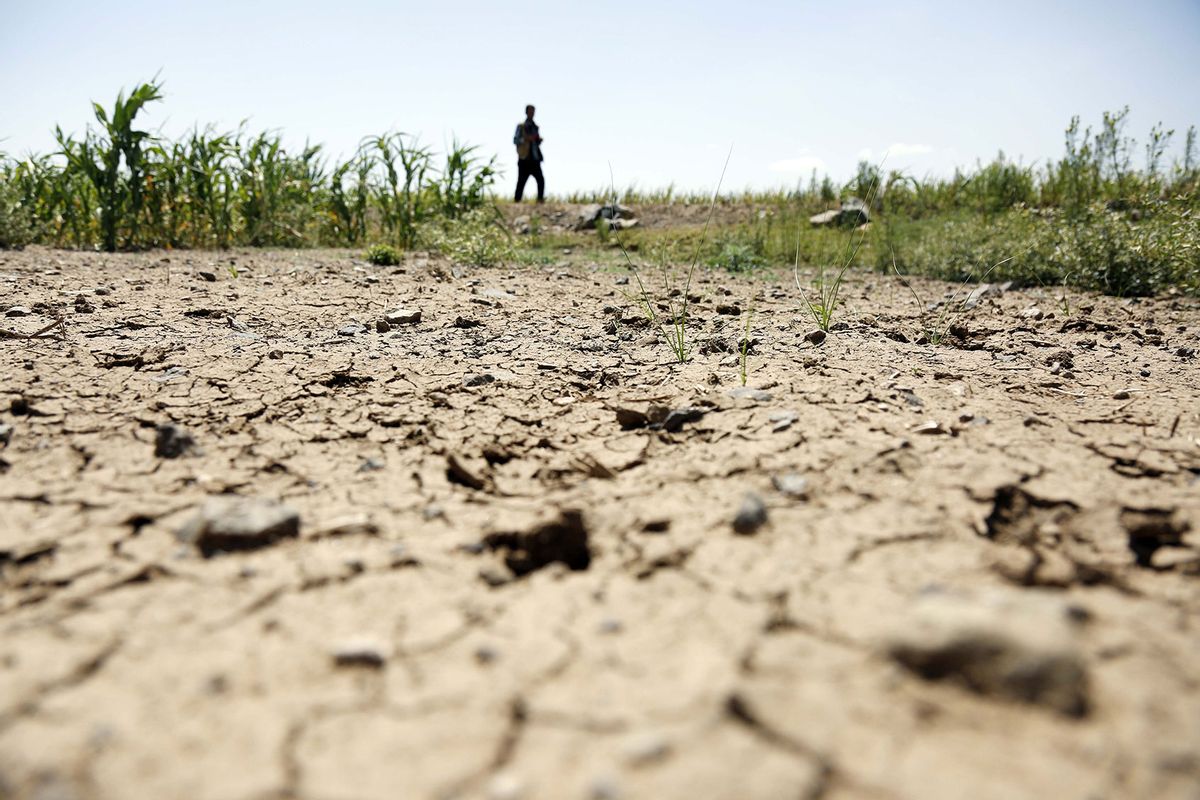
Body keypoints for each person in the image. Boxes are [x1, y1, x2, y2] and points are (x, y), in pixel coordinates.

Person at [513, 104, 544, 203]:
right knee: (521, 182)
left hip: (534, 158)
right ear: (526, 112)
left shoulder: (535, 127)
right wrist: (525, 139)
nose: (532, 114)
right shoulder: (521, 126)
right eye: (530, 111)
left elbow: (536, 141)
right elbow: (515, 140)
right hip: (524, 158)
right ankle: (517, 201)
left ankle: (540, 200)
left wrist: (537, 140)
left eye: (533, 112)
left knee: (540, 180)